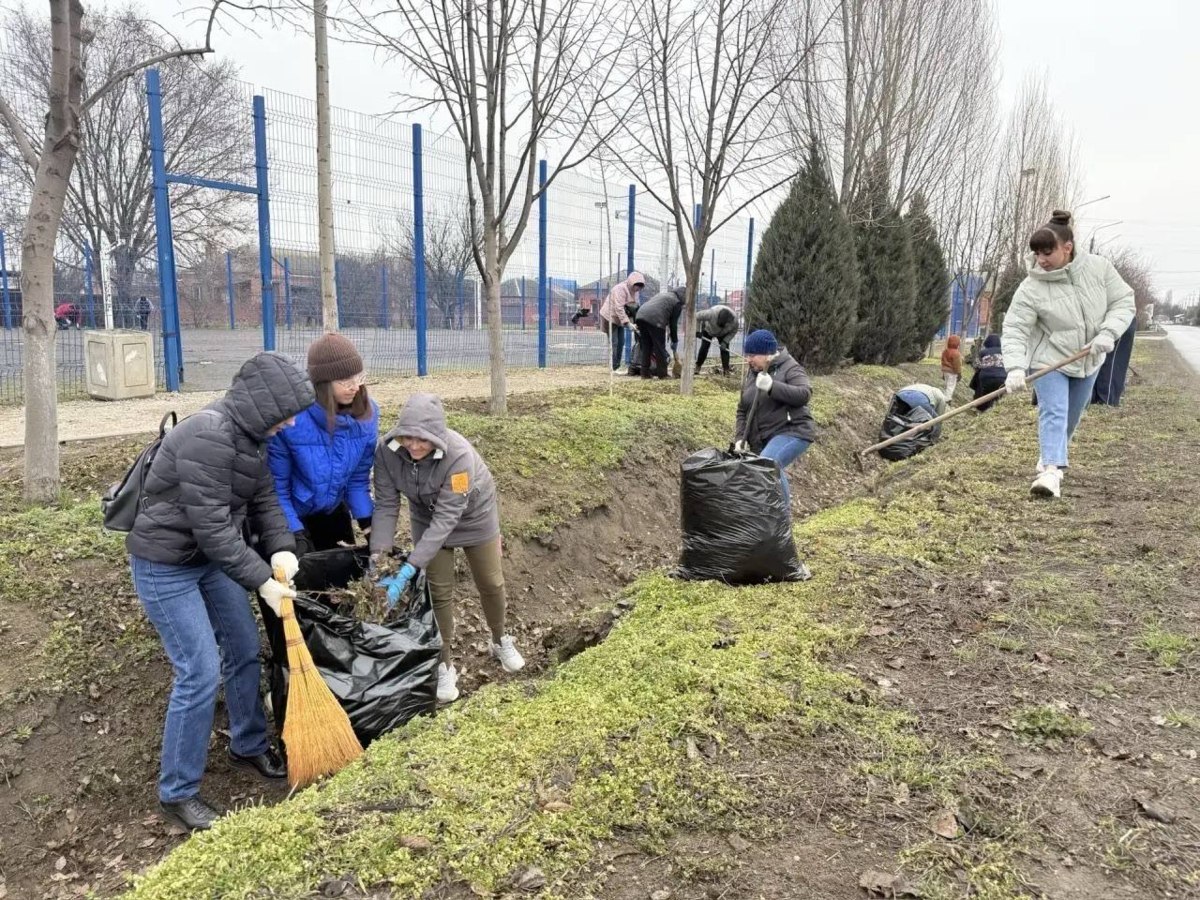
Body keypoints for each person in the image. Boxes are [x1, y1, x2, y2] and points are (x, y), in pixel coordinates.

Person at [124, 351, 314, 832]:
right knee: (199, 671)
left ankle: (247, 745)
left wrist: (282, 549)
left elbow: (265, 499)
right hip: (165, 565)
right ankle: (178, 792)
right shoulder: (208, 435)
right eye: (286, 413)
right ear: (261, 406)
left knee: (245, 648)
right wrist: (262, 582)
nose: (291, 423)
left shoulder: (252, 438)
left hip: (207, 561)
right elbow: (213, 529)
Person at [370, 393, 525, 705]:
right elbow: (386, 506)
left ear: (437, 438)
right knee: (439, 592)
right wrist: (380, 559)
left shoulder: (459, 457)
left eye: (423, 440)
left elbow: (447, 518)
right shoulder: (386, 454)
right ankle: (444, 664)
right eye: (408, 437)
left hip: (473, 514)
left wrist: (410, 567)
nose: (414, 446)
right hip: (424, 515)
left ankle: (499, 639)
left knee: (491, 583)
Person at [1002, 210, 1134, 499]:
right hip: (1050, 358)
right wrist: (1014, 367)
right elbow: (1014, 328)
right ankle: (1050, 472)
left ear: (1068, 247)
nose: (1041, 260)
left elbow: (1124, 302)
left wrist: (1108, 333)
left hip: (1089, 358)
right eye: (1037, 254)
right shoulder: (1031, 287)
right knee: (1055, 412)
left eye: (1047, 253)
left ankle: (1052, 457)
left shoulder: (1099, 268)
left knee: (1071, 418)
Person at [268, 334, 378, 557]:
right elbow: (276, 490)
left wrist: (369, 525)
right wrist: (295, 536)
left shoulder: (367, 415)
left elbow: (357, 480)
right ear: (322, 383)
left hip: (332, 509)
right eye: (345, 381)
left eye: (359, 377)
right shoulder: (290, 420)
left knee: (341, 578)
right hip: (290, 513)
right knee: (301, 582)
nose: (355, 387)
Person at [732, 329, 816, 509]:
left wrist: (772, 386)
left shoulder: (789, 367)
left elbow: (804, 394)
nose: (749, 360)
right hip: (764, 437)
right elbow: (742, 409)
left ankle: (781, 521)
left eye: (753, 355)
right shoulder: (752, 373)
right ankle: (766, 520)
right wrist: (740, 438)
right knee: (761, 472)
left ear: (768, 354)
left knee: (768, 465)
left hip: (793, 430)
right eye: (747, 355)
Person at [634, 286, 685, 380]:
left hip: (640, 316)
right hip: (656, 319)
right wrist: (675, 341)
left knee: (647, 347)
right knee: (659, 348)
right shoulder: (677, 302)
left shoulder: (665, 296)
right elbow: (673, 324)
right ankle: (663, 374)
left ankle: (645, 373)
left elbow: (668, 319)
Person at [598, 272, 644, 372]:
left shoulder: (635, 293)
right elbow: (618, 308)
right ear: (632, 283)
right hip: (609, 317)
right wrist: (628, 323)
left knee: (621, 342)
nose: (638, 289)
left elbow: (633, 308)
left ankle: (616, 366)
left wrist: (635, 323)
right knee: (615, 342)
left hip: (619, 319)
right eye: (637, 286)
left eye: (640, 287)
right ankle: (613, 367)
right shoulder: (620, 289)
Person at [1091, 317, 1138, 406]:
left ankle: (1107, 400)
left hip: (1118, 322)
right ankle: (1095, 398)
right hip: (1107, 322)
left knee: (1111, 363)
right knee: (1098, 360)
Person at [695, 304, 739, 376]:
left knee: (724, 350)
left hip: (723, 334)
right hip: (708, 329)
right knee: (704, 348)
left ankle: (726, 370)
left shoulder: (734, 321)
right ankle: (698, 366)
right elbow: (697, 316)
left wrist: (725, 341)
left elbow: (734, 331)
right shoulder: (711, 313)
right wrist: (697, 331)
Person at [969, 334, 1007, 412]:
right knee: (1000, 395)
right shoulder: (1004, 352)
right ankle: (997, 408)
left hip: (986, 378)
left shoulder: (983, 352)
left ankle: (982, 408)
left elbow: (976, 365)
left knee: (984, 392)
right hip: (1003, 378)